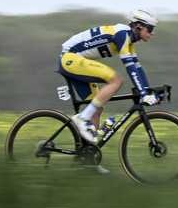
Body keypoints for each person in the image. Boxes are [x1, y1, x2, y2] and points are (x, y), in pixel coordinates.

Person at [59, 9, 161, 145]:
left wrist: (147, 90)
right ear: (138, 26)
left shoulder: (129, 40)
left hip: (74, 60)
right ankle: (82, 118)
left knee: (96, 108)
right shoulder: (122, 35)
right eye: (150, 29)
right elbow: (130, 67)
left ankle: (87, 155)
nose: (152, 33)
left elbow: (138, 68)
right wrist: (142, 93)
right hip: (70, 58)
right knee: (116, 80)